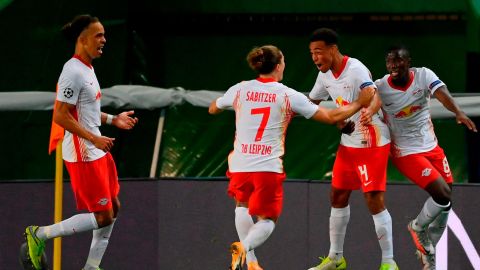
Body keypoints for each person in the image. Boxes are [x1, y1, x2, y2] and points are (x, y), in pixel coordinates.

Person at [209, 44, 375, 270]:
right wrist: (359, 103)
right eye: (284, 61)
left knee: (242, 204)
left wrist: (231, 106)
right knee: (268, 219)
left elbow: (213, 109)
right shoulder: (287, 95)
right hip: (266, 166)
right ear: (278, 67)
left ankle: (252, 263)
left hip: (239, 163)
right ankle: (244, 247)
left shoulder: (240, 89)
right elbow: (329, 116)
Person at [22, 14, 138, 270]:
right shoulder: (72, 71)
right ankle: (39, 234)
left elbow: (86, 112)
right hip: (83, 152)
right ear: (82, 39)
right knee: (103, 215)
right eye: (99, 35)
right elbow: (60, 115)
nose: (104, 40)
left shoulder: (88, 69)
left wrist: (112, 119)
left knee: (114, 206)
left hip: (96, 148)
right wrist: (94, 138)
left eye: (104, 35)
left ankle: (92, 267)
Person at [375, 45, 477, 270]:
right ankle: (417, 228)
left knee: (446, 201)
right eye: (389, 62)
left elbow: (442, 94)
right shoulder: (380, 88)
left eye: (398, 61)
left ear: (408, 61)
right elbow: (366, 105)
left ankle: (428, 254)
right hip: (406, 151)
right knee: (442, 194)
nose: (393, 66)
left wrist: (458, 112)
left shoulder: (423, 76)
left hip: (431, 147)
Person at [306, 28, 398, 270]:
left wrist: (368, 110)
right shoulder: (324, 75)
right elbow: (312, 105)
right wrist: (335, 120)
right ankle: (336, 258)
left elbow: (372, 94)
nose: (315, 58)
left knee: (373, 199)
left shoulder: (355, 69)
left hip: (372, 140)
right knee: (337, 195)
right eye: (311, 53)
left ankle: (389, 262)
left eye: (318, 52)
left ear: (333, 50)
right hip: (348, 143)